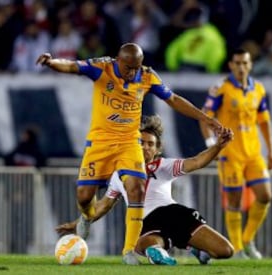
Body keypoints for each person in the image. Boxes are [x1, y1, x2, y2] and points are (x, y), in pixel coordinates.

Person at [36, 43, 222, 265]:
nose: (132, 72)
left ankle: (129, 251)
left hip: (128, 142)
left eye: (137, 67)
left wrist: (205, 118)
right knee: (85, 197)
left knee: (136, 187)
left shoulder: (147, 76)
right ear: (118, 60)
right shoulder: (101, 68)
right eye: (128, 67)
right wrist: (51, 62)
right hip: (100, 142)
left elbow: (172, 99)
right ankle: (86, 218)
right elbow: (70, 66)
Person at [56, 115, 234, 265]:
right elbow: (103, 205)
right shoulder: (120, 175)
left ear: (157, 150)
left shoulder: (164, 166)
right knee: (142, 245)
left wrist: (218, 146)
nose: (145, 147)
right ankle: (166, 253)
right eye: (141, 142)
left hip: (173, 214)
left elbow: (196, 162)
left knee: (225, 251)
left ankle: (192, 246)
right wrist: (79, 223)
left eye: (150, 144)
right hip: (145, 221)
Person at [199, 48, 272, 259]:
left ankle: (248, 239)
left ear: (250, 65)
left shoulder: (258, 89)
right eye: (237, 63)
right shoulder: (221, 88)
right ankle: (238, 249)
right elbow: (205, 117)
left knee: (265, 195)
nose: (241, 67)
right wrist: (212, 145)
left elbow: (264, 122)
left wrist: (270, 151)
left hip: (253, 153)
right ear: (231, 65)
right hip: (229, 154)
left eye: (245, 63)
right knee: (234, 201)